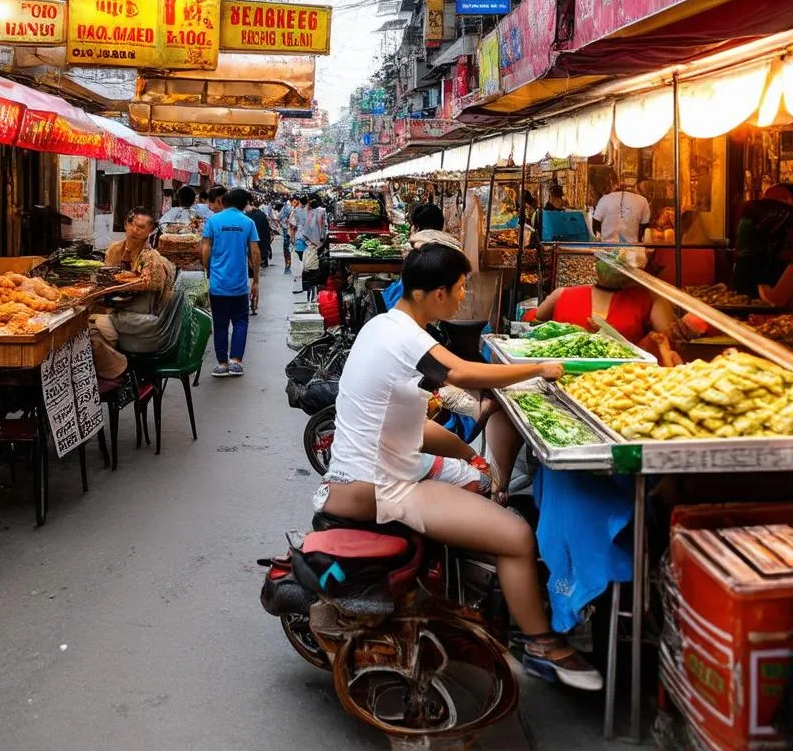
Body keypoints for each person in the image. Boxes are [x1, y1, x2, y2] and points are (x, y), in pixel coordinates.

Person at [319, 244, 602, 690]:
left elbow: (414, 426)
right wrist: (539, 369)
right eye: (460, 286)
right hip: (381, 487)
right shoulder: (407, 338)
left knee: (480, 480)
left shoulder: (383, 325)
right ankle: (541, 646)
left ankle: (467, 593)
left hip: (381, 468)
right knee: (514, 535)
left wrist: (469, 455)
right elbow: (463, 375)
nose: (463, 294)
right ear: (436, 293)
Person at [532, 255, 682, 361]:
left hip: (622, 375)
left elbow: (667, 336)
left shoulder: (645, 299)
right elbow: (532, 323)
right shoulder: (562, 294)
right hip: (562, 368)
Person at [91, 207, 177, 381]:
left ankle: (116, 371)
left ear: (150, 231)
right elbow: (106, 276)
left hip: (144, 318)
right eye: (133, 224)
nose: (135, 230)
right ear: (125, 225)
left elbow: (145, 284)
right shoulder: (115, 249)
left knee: (97, 325)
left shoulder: (150, 257)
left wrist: (118, 284)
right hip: (121, 309)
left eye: (142, 227)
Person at [202, 188, 260, 377]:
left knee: (219, 325)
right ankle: (236, 361)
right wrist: (256, 280)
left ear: (225, 201)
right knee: (240, 322)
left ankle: (222, 364)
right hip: (239, 285)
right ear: (244, 204)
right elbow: (255, 252)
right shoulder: (248, 222)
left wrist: (208, 270)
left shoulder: (213, 221)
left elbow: (205, 249)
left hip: (218, 284)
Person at [732, 185, 793, 299]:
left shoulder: (749, 210)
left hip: (744, 274)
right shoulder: (787, 213)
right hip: (772, 277)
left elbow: (739, 247)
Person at [592, 176, 651, 244]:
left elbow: (595, 224)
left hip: (607, 247)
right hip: (632, 248)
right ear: (636, 187)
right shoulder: (642, 200)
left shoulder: (605, 199)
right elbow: (645, 227)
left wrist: (601, 236)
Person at [246, 196, 273, 279]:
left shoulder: (246, 216)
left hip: (251, 245)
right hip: (261, 243)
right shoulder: (261, 214)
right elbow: (266, 230)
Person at [278, 198, 293, 273]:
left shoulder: (283, 209)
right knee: (289, 249)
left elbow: (278, 218)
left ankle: (287, 266)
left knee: (286, 249)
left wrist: (283, 226)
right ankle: (288, 266)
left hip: (285, 232)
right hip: (290, 232)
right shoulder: (291, 209)